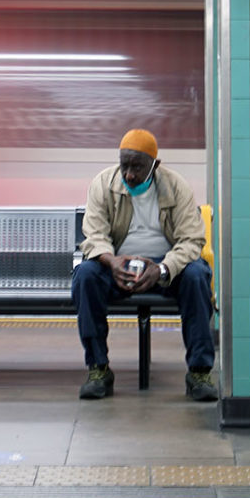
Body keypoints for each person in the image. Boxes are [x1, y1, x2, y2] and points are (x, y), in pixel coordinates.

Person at [72, 128, 217, 402]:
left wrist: (162, 270)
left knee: (197, 276)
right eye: (124, 165)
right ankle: (98, 369)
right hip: (117, 263)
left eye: (137, 167)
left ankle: (199, 372)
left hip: (165, 266)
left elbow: (191, 240)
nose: (129, 175)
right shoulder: (104, 184)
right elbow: (94, 236)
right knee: (85, 276)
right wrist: (112, 261)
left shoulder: (176, 186)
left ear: (155, 165)